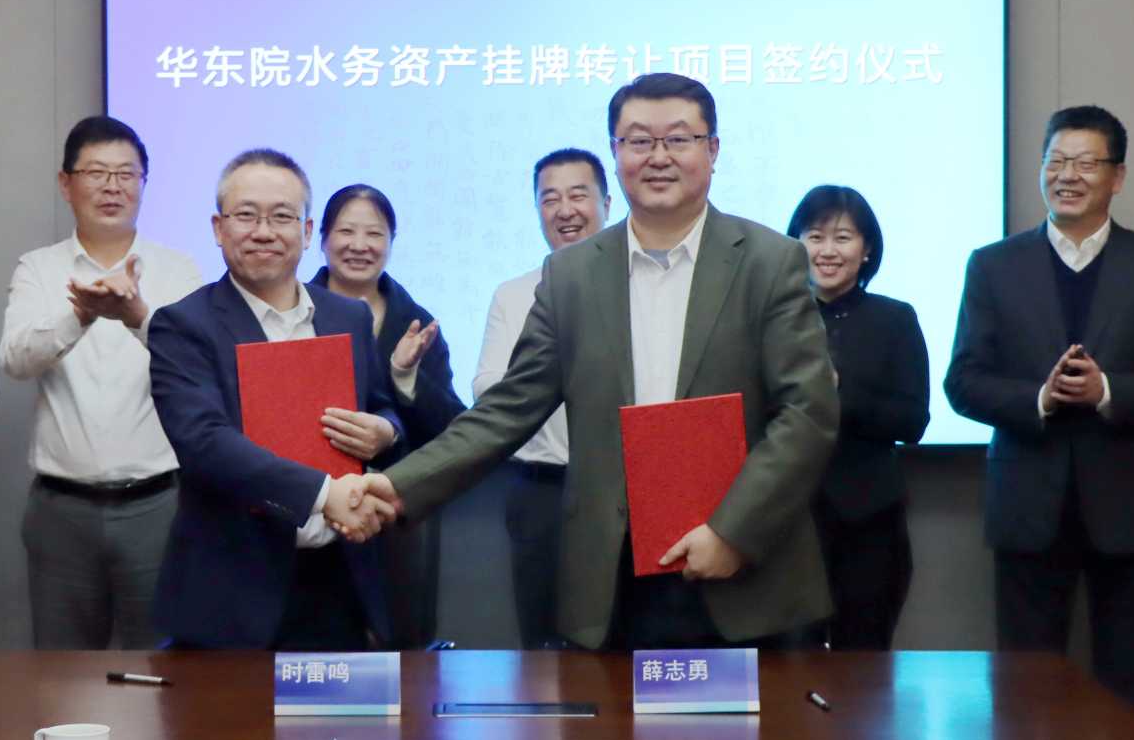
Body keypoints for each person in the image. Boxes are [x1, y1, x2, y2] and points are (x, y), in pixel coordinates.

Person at [351, 73, 840, 649]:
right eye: (639, 141)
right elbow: (508, 408)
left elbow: (807, 413)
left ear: (713, 150)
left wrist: (733, 532)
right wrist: (396, 486)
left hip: (743, 569)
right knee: (614, 711)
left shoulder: (770, 261)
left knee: (749, 713)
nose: (658, 157)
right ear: (615, 151)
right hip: (615, 578)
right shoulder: (572, 274)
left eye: (678, 139)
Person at [944, 105, 1134, 726]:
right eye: (1055, 161)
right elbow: (963, 382)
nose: (1068, 175)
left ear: (1118, 176)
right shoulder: (993, 265)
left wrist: (1108, 391)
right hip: (1029, 503)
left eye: (1086, 162)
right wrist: (1040, 398)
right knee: (1025, 691)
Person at [145, 149, 411, 649]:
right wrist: (324, 494)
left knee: (340, 704)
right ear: (218, 228)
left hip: (340, 579)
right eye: (246, 215)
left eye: (282, 217)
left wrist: (385, 431)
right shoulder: (182, 325)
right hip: (233, 592)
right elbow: (205, 443)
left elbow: (382, 405)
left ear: (307, 232)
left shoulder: (348, 317)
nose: (264, 232)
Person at [0, 116, 203, 650]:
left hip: (157, 506)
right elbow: (15, 359)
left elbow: (199, 367)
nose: (112, 187)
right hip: (61, 509)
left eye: (126, 174)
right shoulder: (39, 269)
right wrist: (80, 315)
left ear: (143, 183)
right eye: (96, 172)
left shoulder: (179, 270)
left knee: (160, 670)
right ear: (66, 183)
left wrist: (137, 316)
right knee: (62, 674)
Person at [309, 183, 464, 646]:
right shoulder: (293, 311)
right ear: (321, 238)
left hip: (396, 512)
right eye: (346, 232)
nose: (359, 245)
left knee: (399, 645)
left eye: (374, 233)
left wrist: (405, 377)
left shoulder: (416, 321)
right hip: (311, 504)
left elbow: (450, 428)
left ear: (392, 242)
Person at [473, 148, 611, 648]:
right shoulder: (513, 295)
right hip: (542, 490)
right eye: (550, 199)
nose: (564, 210)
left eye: (578, 195)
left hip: (621, 489)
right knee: (542, 642)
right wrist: (544, 379)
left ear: (607, 203)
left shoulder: (638, 285)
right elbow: (487, 389)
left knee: (624, 638)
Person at [786, 184, 930, 649]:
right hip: (786, 520)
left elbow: (912, 421)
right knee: (787, 666)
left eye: (843, 238)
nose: (827, 251)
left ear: (866, 249)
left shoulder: (895, 319)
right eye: (814, 236)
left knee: (864, 664)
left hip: (870, 521)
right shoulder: (774, 318)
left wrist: (838, 394)